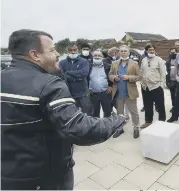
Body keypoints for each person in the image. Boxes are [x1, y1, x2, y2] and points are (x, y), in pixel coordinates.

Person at [1, 29, 126, 190]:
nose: (58, 54)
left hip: (8, 176)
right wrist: (116, 120)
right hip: (46, 178)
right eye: (52, 50)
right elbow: (79, 129)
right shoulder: (48, 84)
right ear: (35, 54)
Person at [109, 45, 141, 139]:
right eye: (121, 51)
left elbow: (139, 76)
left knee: (134, 112)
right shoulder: (114, 63)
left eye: (125, 51)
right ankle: (120, 129)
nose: (123, 52)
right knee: (120, 112)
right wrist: (114, 78)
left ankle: (136, 128)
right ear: (119, 52)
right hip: (118, 92)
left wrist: (129, 77)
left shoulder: (134, 63)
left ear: (129, 52)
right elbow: (110, 74)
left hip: (130, 92)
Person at [59, 43, 91, 114]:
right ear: (67, 51)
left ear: (77, 50)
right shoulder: (62, 63)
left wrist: (68, 72)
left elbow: (84, 73)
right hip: (69, 94)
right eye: (70, 50)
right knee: (72, 115)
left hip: (83, 93)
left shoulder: (84, 61)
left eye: (74, 50)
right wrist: (78, 77)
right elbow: (62, 76)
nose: (73, 52)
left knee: (86, 114)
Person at [140, 44, 166, 128]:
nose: (151, 51)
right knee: (147, 106)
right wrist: (141, 82)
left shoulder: (159, 60)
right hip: (145, 87)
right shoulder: (143, 60)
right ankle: (148, 121)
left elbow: (163, 73)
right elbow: (141, 71)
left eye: (152, 50)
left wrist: (161, 85)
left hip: (156, 86)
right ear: (146, 51)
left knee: (160, 105)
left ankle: (162, 121)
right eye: (149, 50)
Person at [88, 50, 113, 117]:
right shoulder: (89, 67)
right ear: (92, 57)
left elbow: (112, 76)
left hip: (106, 93)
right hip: (93, 94)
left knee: (107, 112)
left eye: (99, 55)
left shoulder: (108, 66)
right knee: (95, 113)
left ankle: (107, 126)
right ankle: (97, 127)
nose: (97, 57)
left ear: (102, 57)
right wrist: (88, 88)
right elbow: (85, 78)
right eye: (95, 55)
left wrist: (111, 86)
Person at [166, 48, 179, 113]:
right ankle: (174, 107)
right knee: (172, 95)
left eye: (174, 52)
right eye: (171, 52)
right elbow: (166, 72)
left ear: (176, 53)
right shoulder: (168, 61)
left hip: (178, 80)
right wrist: (167, 81)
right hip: (171, 80)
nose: (173, 54)